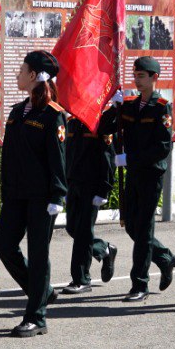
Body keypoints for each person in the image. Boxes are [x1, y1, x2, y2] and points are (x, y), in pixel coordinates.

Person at [0, 51, 66, 338]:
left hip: (41, 198)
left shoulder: (53, 114)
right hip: (15, 195)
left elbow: (58, 158)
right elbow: (10, 156)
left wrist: (57, 196)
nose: (17, 74)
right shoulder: (17, 111)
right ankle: (42, 291)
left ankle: (37, 317)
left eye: (22, 70)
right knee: (3, 244)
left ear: (34, 75)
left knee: (38, 255)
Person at [116, 56, 175, 302]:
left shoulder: (161, 106)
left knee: (143, 229)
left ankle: (139, 284)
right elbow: (115, 128)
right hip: (133, 173)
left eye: (142, 76)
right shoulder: (131, 106)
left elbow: (163, 147)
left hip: (151, 173)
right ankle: (164, 257)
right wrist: (115, 107)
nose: (137, 80)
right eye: (135, 75)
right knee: (131, 225)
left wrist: (130, 158)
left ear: (154, 78)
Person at [60, 101, 119, 295]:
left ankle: (81, 279)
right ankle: (104, 249)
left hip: (91, 185)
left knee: (84, 231)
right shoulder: (71, 122)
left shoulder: (98, 121)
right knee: (72, 227)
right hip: (72, 183)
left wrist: (104, 189)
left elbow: (108, 157)